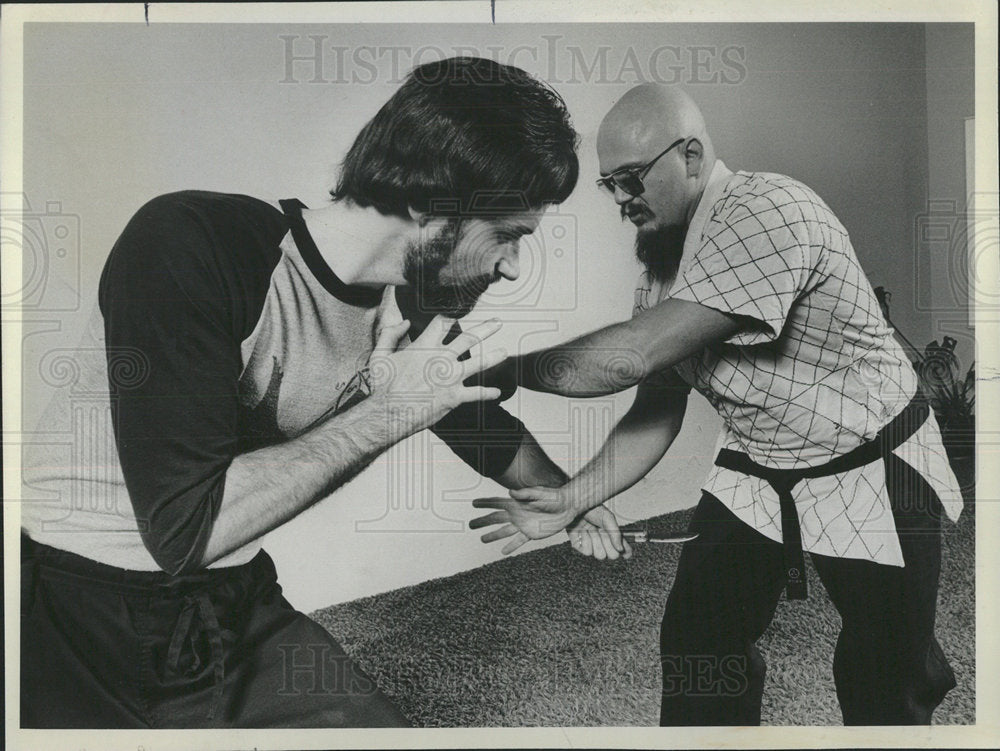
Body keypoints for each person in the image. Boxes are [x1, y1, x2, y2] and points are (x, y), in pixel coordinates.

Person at [19, 56, 619, 729]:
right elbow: (185, 531)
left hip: (230, 600)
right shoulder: (192, 244)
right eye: (507, 236)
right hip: (71, 605)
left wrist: (573, 500)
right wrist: (390, 412)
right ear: (434, 201)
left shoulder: (411, 312)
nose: (513, 266)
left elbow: (481, 425)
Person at [471, 84, 964, 725]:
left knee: (886, 676)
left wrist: (495, 372)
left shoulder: (769, 209)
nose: (620, 200)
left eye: (630, 179)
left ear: (693, 155)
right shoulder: (661, 261)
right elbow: (656, 408)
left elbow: (628, 358)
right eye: (608, 185)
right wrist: (574, 497)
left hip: (873, 465)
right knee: (699, 647)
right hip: (758, 467)